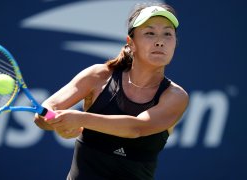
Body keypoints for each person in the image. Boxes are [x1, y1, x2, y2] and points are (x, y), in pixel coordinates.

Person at [34, 3, 189, 180]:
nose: (160, 41)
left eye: (167, 34)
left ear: (175, 43)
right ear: (131, 43)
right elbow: (45, 112)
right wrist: (55, 122)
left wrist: (80, 119)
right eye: (149, 33)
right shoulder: (98, 76)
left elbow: (137, 128)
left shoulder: (176, 96)